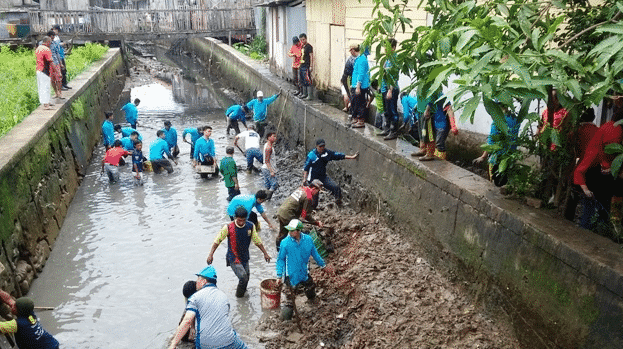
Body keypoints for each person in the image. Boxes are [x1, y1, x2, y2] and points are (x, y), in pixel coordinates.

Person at [168, 266, 248, 349]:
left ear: (203, 281)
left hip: (206, 344)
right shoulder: (223, 296)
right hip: (228, 341)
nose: (197, 282)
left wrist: (173, 344)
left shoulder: (195, 298)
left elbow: (187, 320)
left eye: (198, 279)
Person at [573, 109, 623, 230]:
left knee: (596, 211)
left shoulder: (607, 128)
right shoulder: (613, 131)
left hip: (594, 176)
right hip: (594, 177)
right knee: (594, 213)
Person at [206, 206, 271, 298]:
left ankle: (243, 295)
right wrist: (211, 254)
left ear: (246, 218)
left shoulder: (250, 226)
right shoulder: (228, 227)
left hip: (245, 257)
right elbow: (217, 241)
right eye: (239, 220)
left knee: (247, 278)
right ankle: (239, 298)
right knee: (243, 278)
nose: (241, 222)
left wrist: (265, 253)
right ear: (235, 218)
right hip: (233, 257)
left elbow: (257, 241)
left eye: (243, 220)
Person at [276, 219, 332, 320]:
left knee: (310, 288)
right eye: (289, 230)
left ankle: (313, 304)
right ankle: (284, 321)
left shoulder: (308, 240)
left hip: (304, 272)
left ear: (298, 231)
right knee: (289, 300)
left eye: (292, 230)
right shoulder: (285, 243)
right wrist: (279, 275)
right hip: (291, 276)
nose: (289, 232)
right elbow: (280, 260)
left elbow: (315, 254)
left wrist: (323, 266)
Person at [303, 139, 359, 205]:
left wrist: (352, 157)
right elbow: (306, 168)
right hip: (313, 178)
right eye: (320, 146)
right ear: (317, 146)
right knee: (314, 198)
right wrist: (304, 179)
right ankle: (312, 208)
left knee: (336, 187)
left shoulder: (326, 153)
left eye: (323, 146)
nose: (322, 148)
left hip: (322, 176)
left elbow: (338, 155)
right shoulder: (311, 155)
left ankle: (338, 203)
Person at [276, 180, 324, 250]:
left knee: (283, 233)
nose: (318, 193)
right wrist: (316, 223)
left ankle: (278, 249)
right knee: (299, 233)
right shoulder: (308, 197)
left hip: (281, 212)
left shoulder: (302, 188)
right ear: (313, 189)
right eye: (318, 191)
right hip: (288, 215)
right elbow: (306, 215)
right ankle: (298, 252)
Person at [378, 39, 400, 140]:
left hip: (391, 89)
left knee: (392, 111)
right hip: (384, 88)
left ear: (393, 48)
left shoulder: (394, 59)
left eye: (387, 47)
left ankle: (393, 131)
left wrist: (390, 90)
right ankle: (386, 129)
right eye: (384, 47)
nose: (385, 49)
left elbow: (394, 76)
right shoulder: (387, 59)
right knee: (386, 111)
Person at [350, 45, 370, 128]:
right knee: (356, 102)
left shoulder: (362, 59)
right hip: (357, 85)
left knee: (361, 103)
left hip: (361, 86)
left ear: (353, 50)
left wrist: (358, 86)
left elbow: (361, 74)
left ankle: (361, 120)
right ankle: (357, 119)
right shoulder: (359, 59)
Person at [35, 36, 54, 110]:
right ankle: (46, 104)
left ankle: (47, 102)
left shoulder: (38, 48)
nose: (50, 44)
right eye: (50, 42)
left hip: (39, 69)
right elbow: (50, 60)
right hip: (44, 70)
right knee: (45, 87)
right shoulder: (46, 49)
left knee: (41, 87)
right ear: (48, 42)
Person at [340, 44, 358, 112]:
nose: (351, 52)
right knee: (349, 94)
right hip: (349, 79)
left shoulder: (358, 59)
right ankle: (349, 108)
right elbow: (345, 71)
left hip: (354, 80)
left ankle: (352, 110)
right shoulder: (349, 59)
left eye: (351, 50)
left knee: (354, 97)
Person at [47, 30, 64, 102]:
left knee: (59, 78)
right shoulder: (42, 43)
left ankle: (60, 93)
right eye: (52, 36)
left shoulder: (54, 43)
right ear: (50, 36)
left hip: (55, 62)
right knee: (52, 79)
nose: (53, 38)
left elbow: (57, 54)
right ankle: (56, 92)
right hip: (48, 64)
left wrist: (61, 63)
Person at [52, 25, 70, 90]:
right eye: (56, 30)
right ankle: (61, 86)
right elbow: (54, 46)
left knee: (64, 70)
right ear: (54, 29)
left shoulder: (57, 37)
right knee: (59, 72)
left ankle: (65, 84)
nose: (57, 32)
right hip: (57, 57)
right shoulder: (52, 37)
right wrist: (61, 44)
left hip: (61, 55)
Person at [261, 131, 279, 199]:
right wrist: (271, 171)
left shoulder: (268, 145)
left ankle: (265, 201)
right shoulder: (269, 148)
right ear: (268, 138)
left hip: (265, 168)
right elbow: (267, 161)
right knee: (274, 184)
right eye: (273, 136)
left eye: (275, 136)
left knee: (267, 185)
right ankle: (267, 199)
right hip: (268, 168)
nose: (275, 138)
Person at [298, 33, 314, 99]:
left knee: (307, 80)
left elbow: (311, 56)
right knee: (302, 79)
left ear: (306, 39)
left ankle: (310, 95)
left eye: (303, 39)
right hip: (302, 65)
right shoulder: (302, 46)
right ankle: (304, 93)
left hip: (306, 65)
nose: (302, 41)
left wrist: (311, 66)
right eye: (301, 40)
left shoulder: (309, 47)